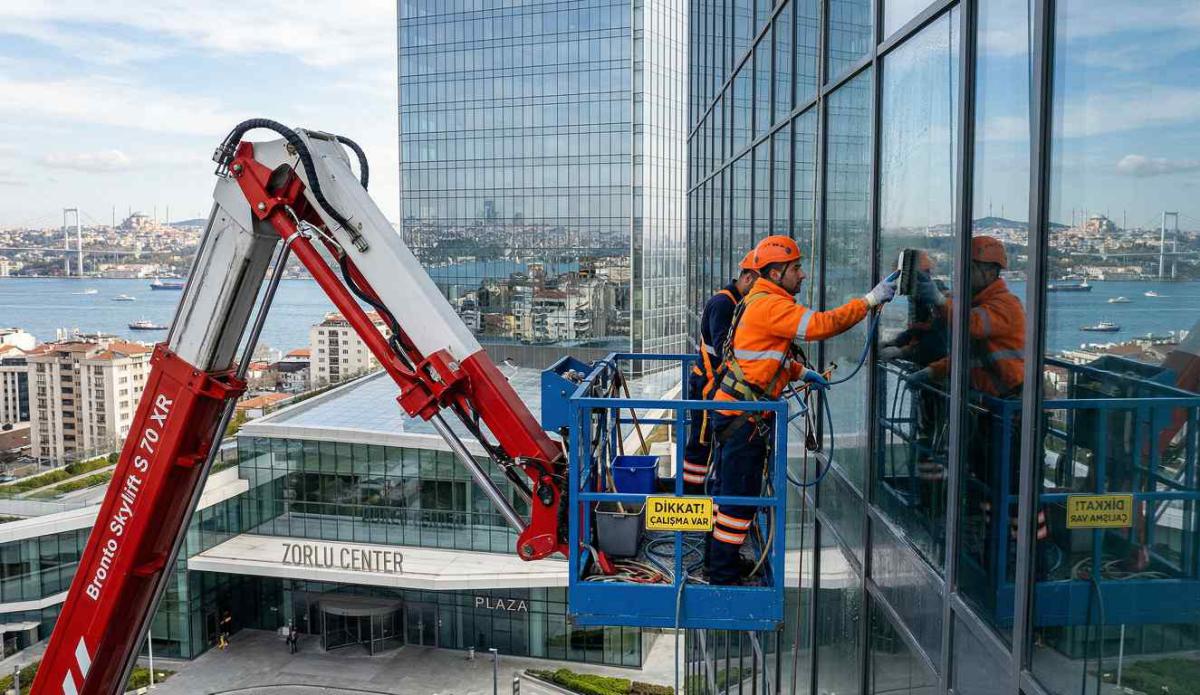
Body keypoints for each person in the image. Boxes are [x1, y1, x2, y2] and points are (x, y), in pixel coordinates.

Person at [705, 235, 897, 585]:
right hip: (742, 418)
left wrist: (800, 372)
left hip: (738, 414)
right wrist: (869, 301)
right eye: (796, 268)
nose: (802, 275)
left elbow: (763, 357)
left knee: (731, 494)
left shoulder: (760, 300)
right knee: (738, 499)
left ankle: (720, 562)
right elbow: (821, 326)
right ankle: (720, 571)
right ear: (776, 272)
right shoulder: (770, 306)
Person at [682, 250, 760, 494]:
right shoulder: (724, 303)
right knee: (701, 441)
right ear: (747, 279)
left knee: (708, 441)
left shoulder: (736, 303)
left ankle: (698, 494)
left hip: (716, 382)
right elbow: (723, 346)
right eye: (758, 285)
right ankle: (693, 497)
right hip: (708, 382)